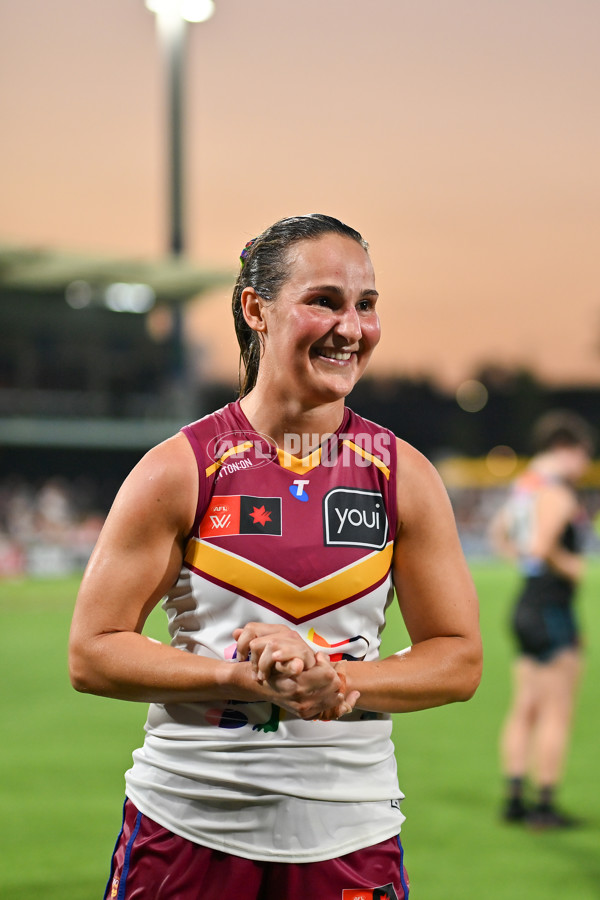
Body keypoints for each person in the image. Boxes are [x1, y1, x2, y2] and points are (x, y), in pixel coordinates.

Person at [69, 213, 482, 900]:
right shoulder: (178, 468)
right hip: (186, 831)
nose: (352, 329)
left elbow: (459, 657)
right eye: (324, 301)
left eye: (366, 305)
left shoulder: (402, 473)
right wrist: (247, 679)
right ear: (255, 308)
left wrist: (340, 683)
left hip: (351, 837)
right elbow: (93, 651)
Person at [490, 410, 593, 828]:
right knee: (557, 710)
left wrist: (526, 559)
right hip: (552, 609)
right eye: (584, 454)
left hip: (526, 604)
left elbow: (501, 535)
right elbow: (539, 545)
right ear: (567, 450)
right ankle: (545, 805)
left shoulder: (525, 489)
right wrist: (571, 566)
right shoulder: (558, 493)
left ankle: (515, 799)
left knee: (525, 707)